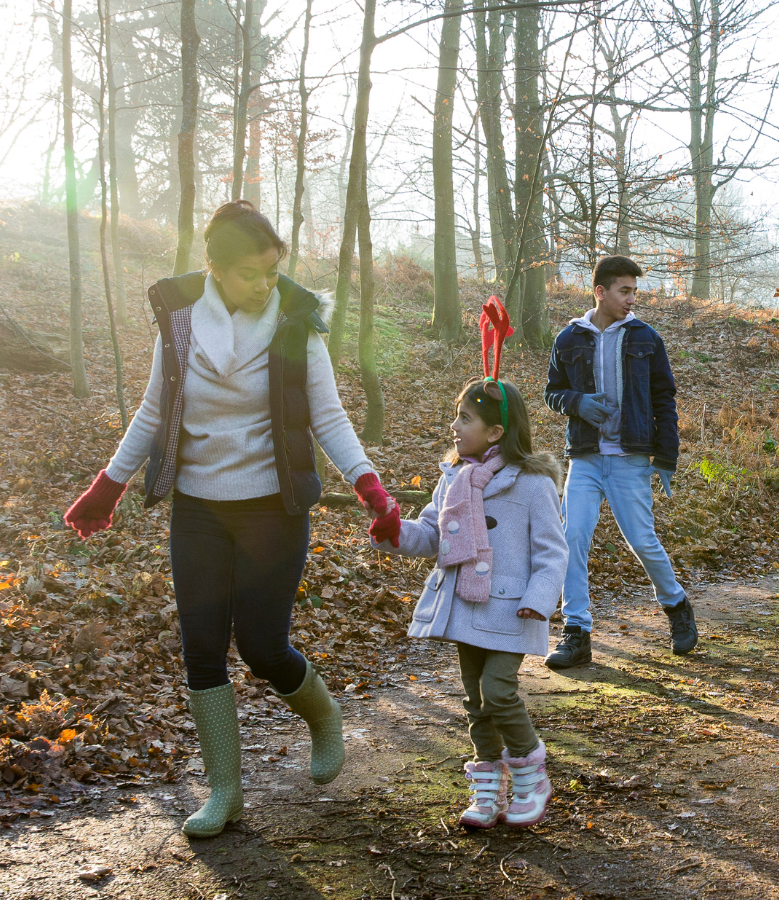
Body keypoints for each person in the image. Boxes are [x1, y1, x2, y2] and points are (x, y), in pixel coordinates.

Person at [62, 200, 401, 838]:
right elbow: (152, 414)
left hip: (273, 506)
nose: (266, 284)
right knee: (202, 647)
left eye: (273, 271)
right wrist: (107, 485)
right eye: (251, 273)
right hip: (198, 506)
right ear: (215, 268)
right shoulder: (181, 325)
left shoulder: (297, 324)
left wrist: (370, 485)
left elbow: (327, 418)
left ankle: (323, 718)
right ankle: (225, 792)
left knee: (263, 645)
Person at [372, 374, 567, 830]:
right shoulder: (454, 479)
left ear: (496, 432)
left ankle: (530, 777)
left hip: (512, 608)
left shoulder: (533, 483)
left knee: (498, 691)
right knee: (476, 703)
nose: (454, 426)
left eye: (466, 418)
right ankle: (487, 790)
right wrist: (393, 530)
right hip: (465, 605)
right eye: (456, 415)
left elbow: (554, 550)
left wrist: (540, 600)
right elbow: (433, 536)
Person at [543, 255, 692, 669]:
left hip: (630, 459)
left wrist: (665, 456)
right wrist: (578, 403)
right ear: (600, 292)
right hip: (586, 459)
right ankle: (577, 631)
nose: (631, 300)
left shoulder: (646, 338)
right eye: (624, 291)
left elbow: (665, 399)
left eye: (634, 292)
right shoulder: (569, 338)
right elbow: (551, 393)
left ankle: (677, 606)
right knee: (571, 538)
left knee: (642, 541)